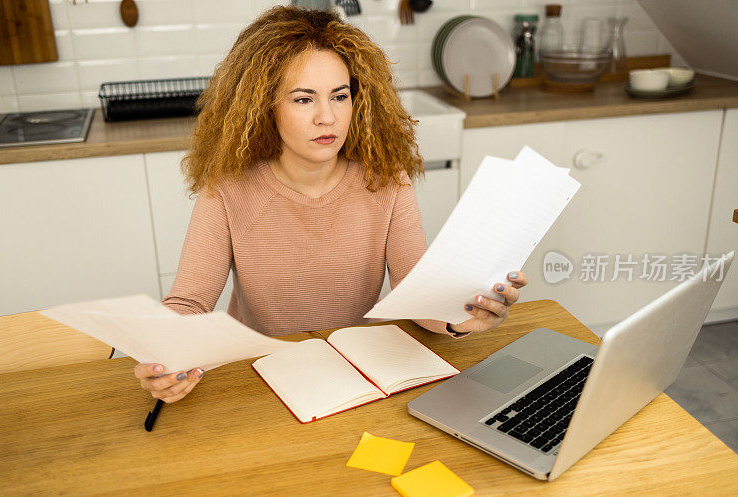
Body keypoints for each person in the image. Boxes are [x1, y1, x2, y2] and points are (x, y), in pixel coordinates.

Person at [135, 6, 529, 403]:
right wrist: (165, 355)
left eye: (340, 96)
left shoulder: (387, 180)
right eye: (304, 100)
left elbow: (416, 293)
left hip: (363, 373)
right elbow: (189, 302)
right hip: (263, 378)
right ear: (265, 105)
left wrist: (464, 317)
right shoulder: (227, 190)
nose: (328, 117)